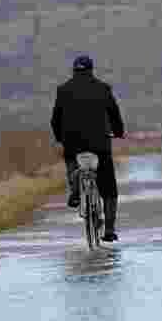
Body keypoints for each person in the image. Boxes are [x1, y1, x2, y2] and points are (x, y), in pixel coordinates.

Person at [50, 54, 125, 242]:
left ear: (74, 70)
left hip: (73, 144)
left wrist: (61, 138)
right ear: (92, 70)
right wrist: (118, 132)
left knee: (70, 160)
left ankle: (75, 188)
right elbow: (114, 114)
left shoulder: (63, 90)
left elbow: (55, 120)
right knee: (109, 188)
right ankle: (109, 229)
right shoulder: (103, 88)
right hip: (100, 144)